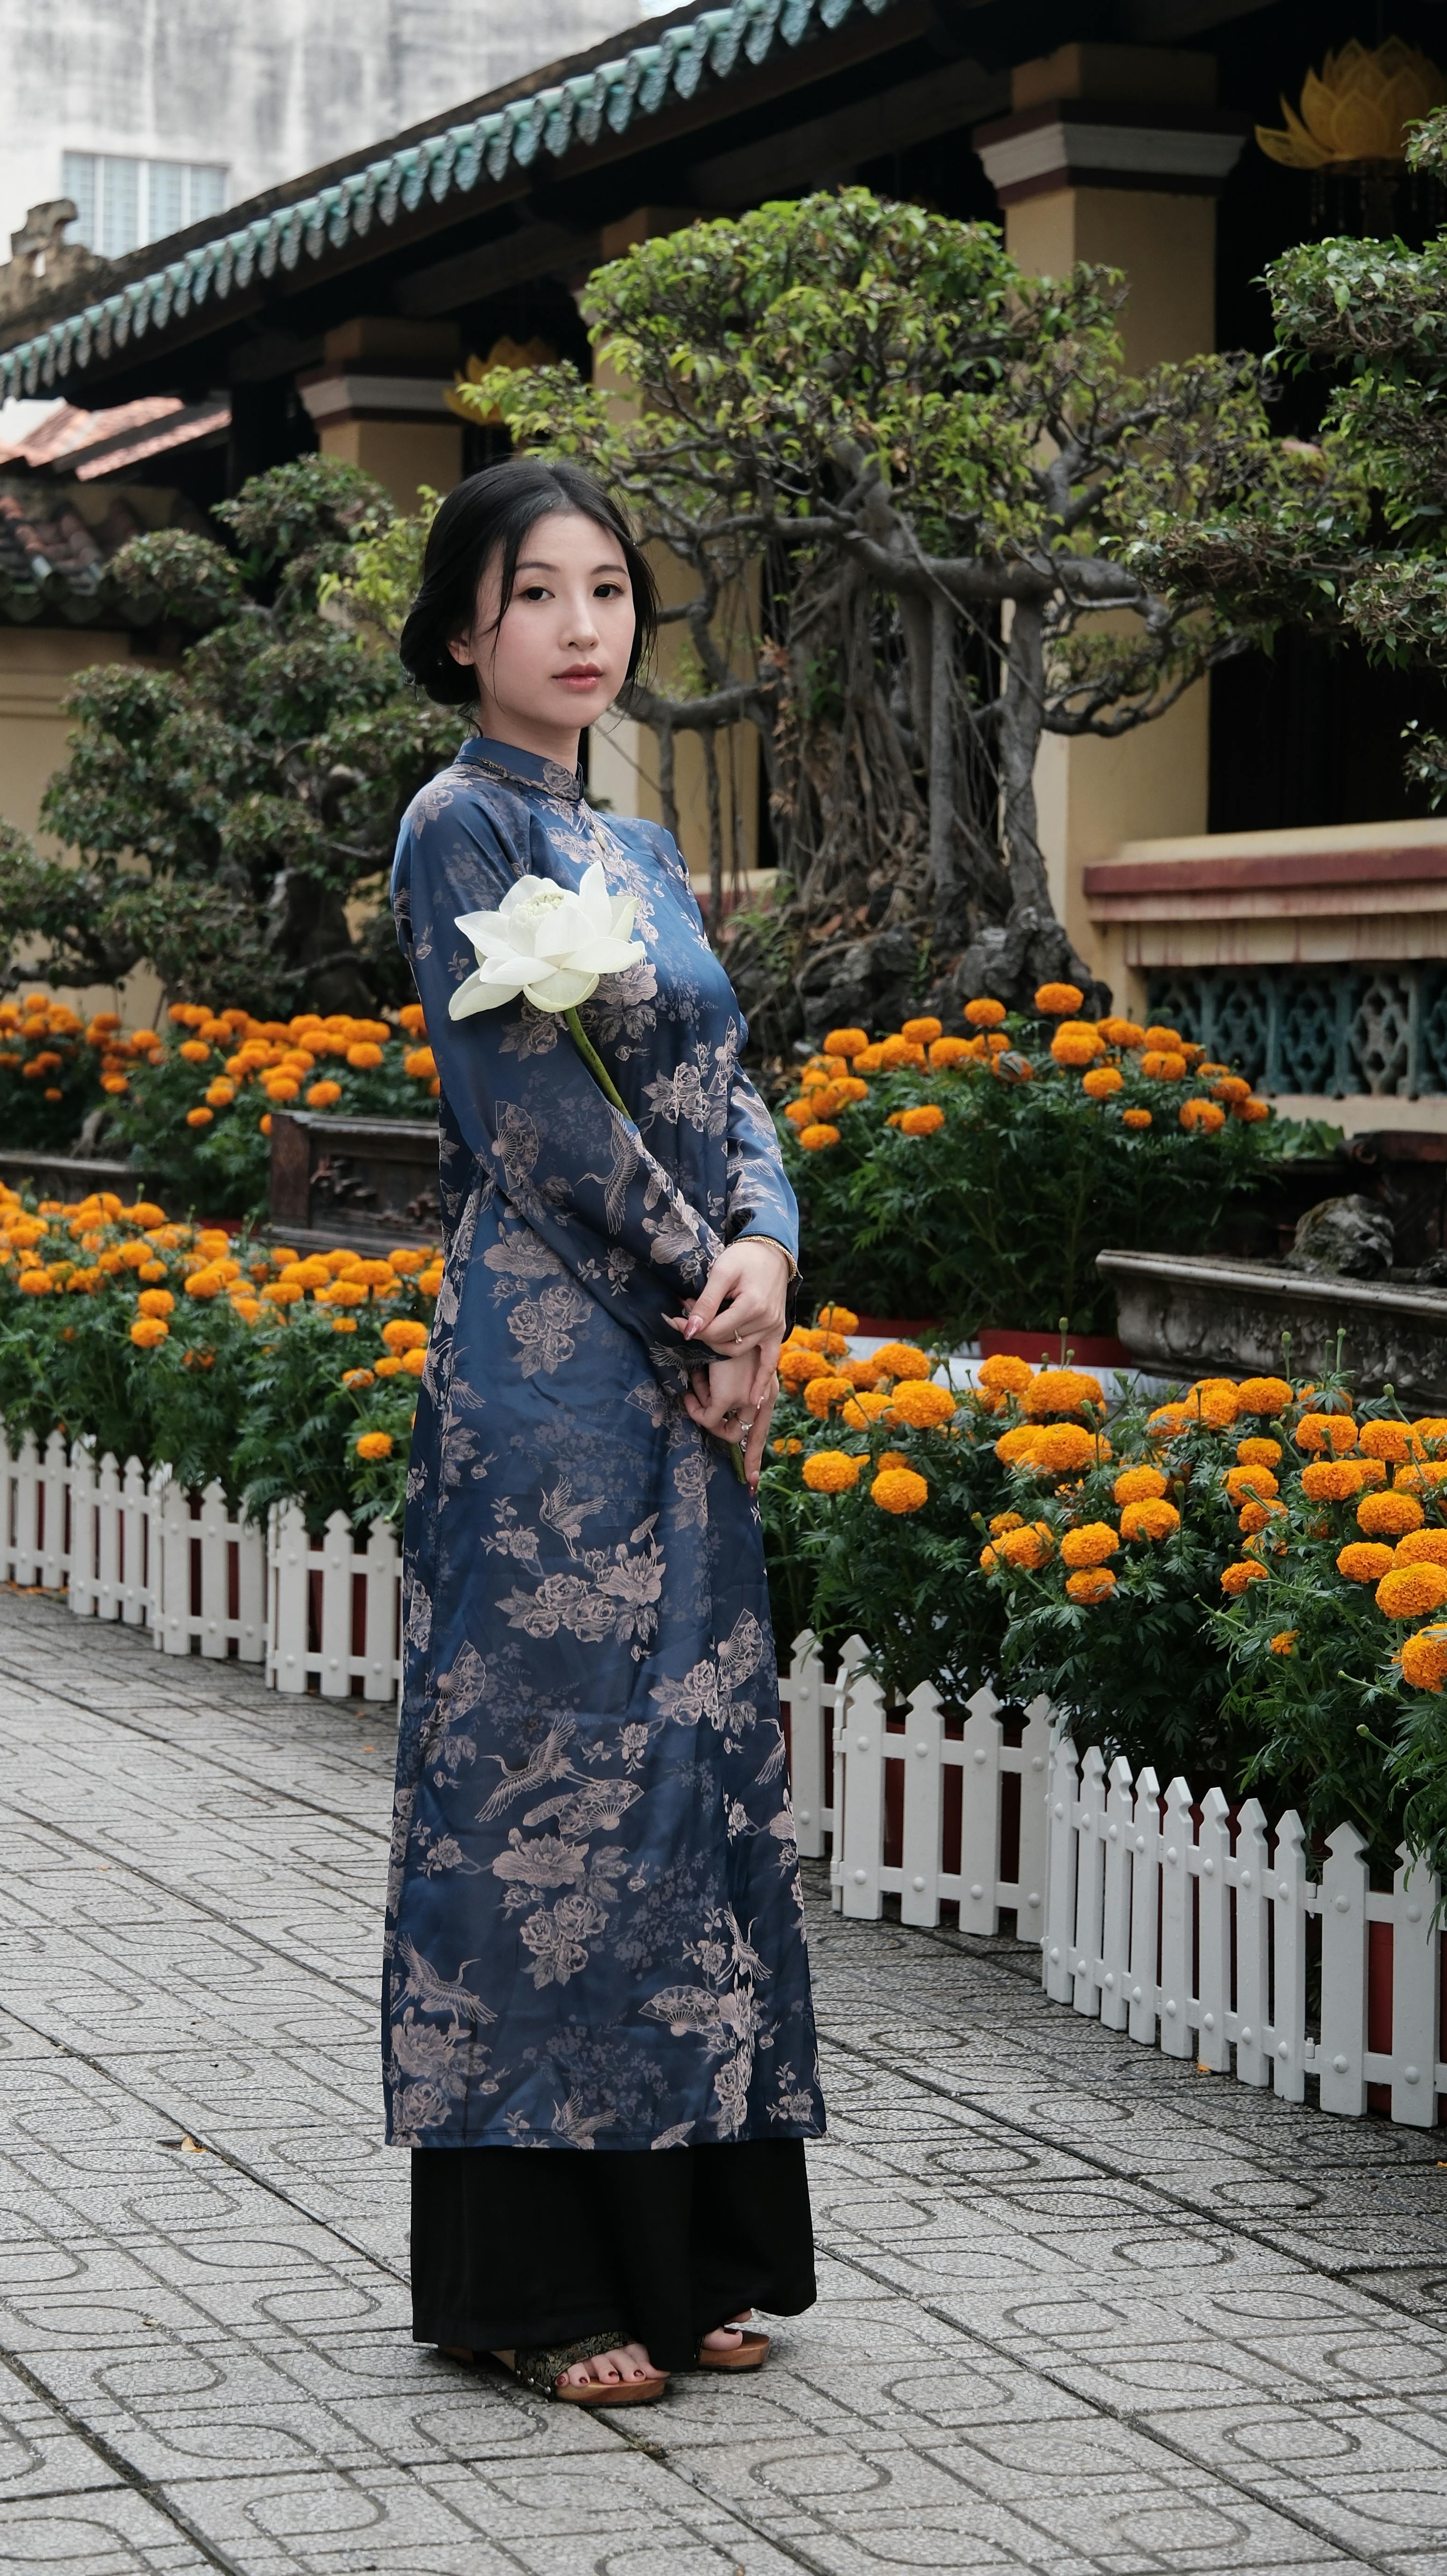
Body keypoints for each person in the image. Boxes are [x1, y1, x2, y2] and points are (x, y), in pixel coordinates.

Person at [385, 455, 822, 2408]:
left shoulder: (636, 854)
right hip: (552, 1384)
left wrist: (770, 1253)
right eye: (536, 593)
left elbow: (730, 1083)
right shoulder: (452, 832)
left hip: (686, 1369)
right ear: (464, 626)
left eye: (608, 591)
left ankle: (693, 2260)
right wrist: (694, 1294)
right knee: (546, 1796)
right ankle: (531, 2286)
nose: (583, 626)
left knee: (686, 1787)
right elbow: (529, 1120)